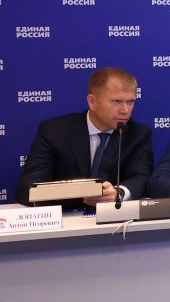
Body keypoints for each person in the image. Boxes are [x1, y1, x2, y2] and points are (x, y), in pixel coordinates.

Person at [16, 67, 153, 207]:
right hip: (66, 215)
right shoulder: (55, 131)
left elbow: (141, 178)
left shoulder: (138, 134)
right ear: (92, 102)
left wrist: (118, 193)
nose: (125, 110)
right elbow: (28, 188)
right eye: (116, 101)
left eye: (130, 102)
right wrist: (79, 192)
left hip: (112, 216)